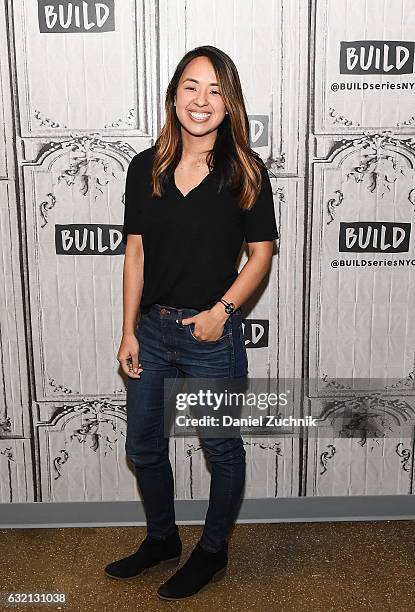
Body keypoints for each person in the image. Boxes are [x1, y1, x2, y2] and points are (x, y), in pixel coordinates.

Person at [105, 45, 279, 601]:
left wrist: (221, 314)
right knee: (145, 446)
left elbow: (261, 254)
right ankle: (162, 539)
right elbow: (135, 253)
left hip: (210, 338)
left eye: (214, 90)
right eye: (190, 86)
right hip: (151, 334)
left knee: (221, 449)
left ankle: (212, 551)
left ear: (229, 105)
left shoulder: (245, 171)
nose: (200, 100)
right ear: (174, 95)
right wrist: (130, 329)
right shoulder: (145, 165)